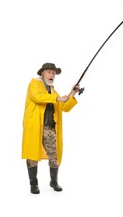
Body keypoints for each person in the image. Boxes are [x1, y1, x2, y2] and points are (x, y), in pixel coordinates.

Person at [21, 62, 80, 194]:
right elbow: (38, 97)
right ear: (42, 73)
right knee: (32, 157)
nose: (52, 75)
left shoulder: (53, 91)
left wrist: (72, 93)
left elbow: (64, 107)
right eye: (49, 72)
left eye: (53, 73)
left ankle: (53, 181)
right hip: (35, 128)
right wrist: (58, 98)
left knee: (54, 155)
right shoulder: (34, 84)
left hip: (49, 128)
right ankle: (33, 184)